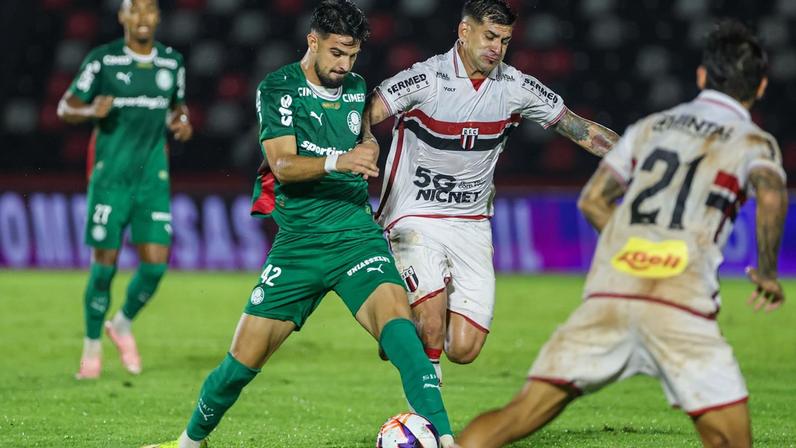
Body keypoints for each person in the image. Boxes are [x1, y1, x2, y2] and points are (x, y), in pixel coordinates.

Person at [456, 19, 787, 448]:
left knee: (515, 417)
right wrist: (765, 271)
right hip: (679, 304)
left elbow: (593, 200)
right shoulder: (753, 141)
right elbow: (774, 193)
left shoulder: (652, 127)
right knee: (729, 439)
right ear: (760, 87)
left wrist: (634, 249)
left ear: (702, 77)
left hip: (610, 297)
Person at [147, 2, 454, 447]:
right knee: (240, 363)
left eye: (352, 55)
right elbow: (283, 164)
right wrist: (341, 160)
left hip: (355, 237)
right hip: (298, 246)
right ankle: (188, 443)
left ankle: (446, 439)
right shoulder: (278, 89)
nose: (344, 64)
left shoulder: (355, 87)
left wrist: (367, 144)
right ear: (313, 41)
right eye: (336, 53)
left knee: (401, 332)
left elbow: (362, 133)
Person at [360, 0, 619, 383]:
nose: (496, 47)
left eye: (505, 40)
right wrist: (365, 138)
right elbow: (367, 109)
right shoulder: (426, 78)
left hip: (472, 224)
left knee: (463, 349)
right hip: (414, 214)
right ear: (464, 33)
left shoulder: (515, 87)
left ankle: (398, 323)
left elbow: (577, 128)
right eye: (489, 36)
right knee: (431, 327)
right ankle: (429, 427)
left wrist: (637, 155)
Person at [58, 0, 192, 380]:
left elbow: (176, 109)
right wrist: (89, 112)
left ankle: (121, 323)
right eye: (134, 11)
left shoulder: (172, 62)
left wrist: (182, 122)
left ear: (157, 17)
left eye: (149, 11)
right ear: (122, 17)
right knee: (104, 269)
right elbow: (65, 106)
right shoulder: (103, 61)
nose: (142, 19)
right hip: (110, 180)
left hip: (152, 179)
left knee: (155, 265)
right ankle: (91, 349)